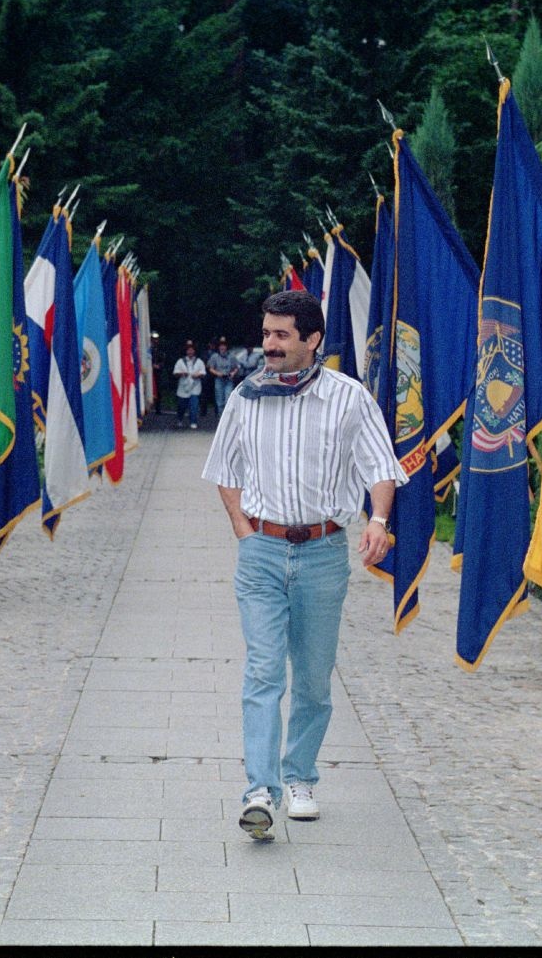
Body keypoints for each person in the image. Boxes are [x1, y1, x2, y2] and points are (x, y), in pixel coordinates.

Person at [201, 289, 404, 841]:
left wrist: (379, 519)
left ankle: (300, 779)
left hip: (322, 553)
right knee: (263, 671)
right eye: (266, 333)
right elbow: (225, 470)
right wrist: (245, 534)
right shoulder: (246, 397)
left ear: (312, 340)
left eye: (281, 335)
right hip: (261, 553)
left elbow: (380, 467)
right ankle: (259, 791)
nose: (269, 344)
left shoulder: (349, 398)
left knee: (312, 680)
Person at [172, 341, 207, 428]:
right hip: (183, 387)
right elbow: (175, 373)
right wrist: (182, 373)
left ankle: (193, 421)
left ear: (194, 351)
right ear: (186, 351)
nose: (190, 352)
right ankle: (179, 420)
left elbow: (203, 372)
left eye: (192, 350)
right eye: (189, 350)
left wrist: (198, 375)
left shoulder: (199, 361)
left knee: (194, 405)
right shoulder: (180, 361)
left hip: (195, 387)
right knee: (181, 406)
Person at [206, 338, 237, 421]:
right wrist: (217, 373)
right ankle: (221, 418)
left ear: (227, 347)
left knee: (228, 399)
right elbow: (210, 368)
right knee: (219, 401)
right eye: (221, 346)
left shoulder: (231, 356)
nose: (222, 347)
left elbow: (236, 367)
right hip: (219, 380)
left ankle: (227, 419)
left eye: (224, 346)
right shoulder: (214, 356)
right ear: (218, 347)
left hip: (228, 380)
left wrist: (233, 373)